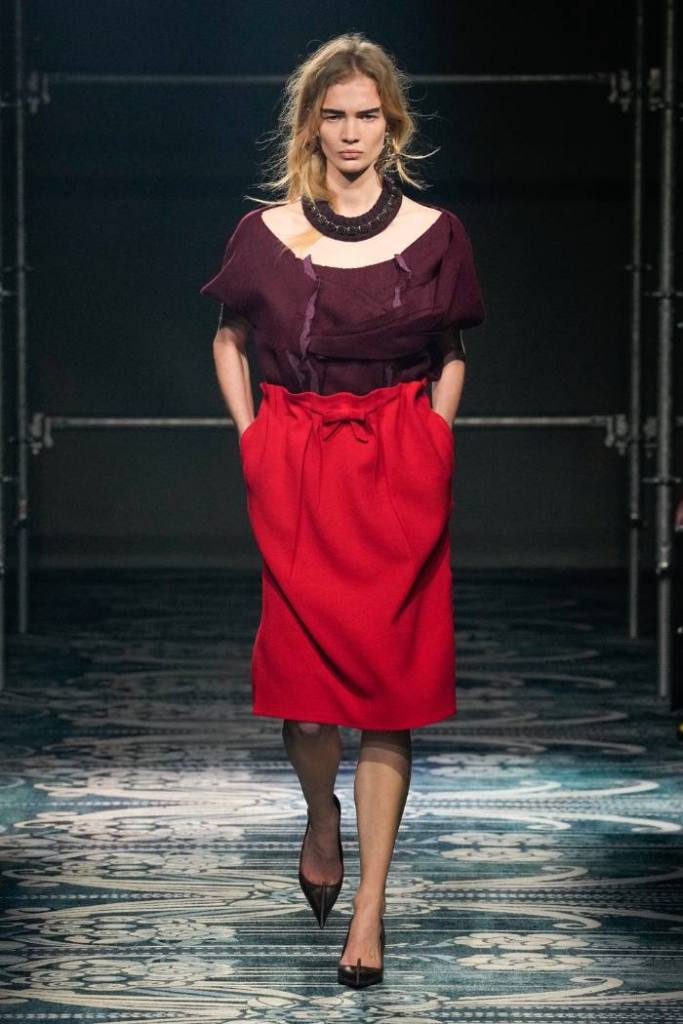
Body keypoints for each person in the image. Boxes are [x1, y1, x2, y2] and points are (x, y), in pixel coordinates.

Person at [199, 32, 485, 989]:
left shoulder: (435, 234)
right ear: (310, 126)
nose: (352, 132)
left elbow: (450, 349)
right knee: (307, 699)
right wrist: (252, 438)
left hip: (397, 464)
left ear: (390, 125)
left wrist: (433, 436)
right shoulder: (266, 233)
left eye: (367, 115)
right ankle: (320, 814)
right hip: (299, 461)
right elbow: (230, 336)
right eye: (335, 116)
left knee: (390, 695)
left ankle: (369, 910)